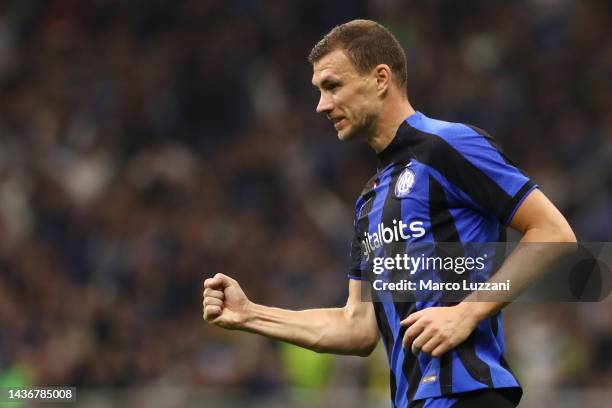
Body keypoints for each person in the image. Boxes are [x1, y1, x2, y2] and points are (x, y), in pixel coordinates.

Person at [203, 19, 576, 407]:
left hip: (469, 395)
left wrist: (466, 313)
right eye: (319, 91)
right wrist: (249, 316)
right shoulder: (369, 202)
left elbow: (553, 233)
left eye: (332, 86)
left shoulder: (447, 145)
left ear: (381, 78)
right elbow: (357, 327)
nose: (322, 105)